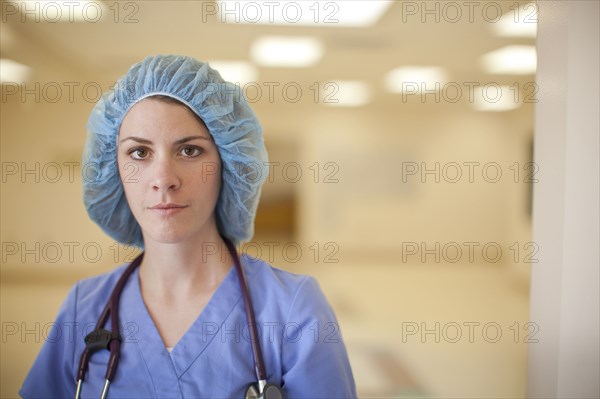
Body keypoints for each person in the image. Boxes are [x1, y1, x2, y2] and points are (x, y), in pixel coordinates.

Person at [19, 55, 356, 398]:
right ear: (113, 167)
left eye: (190, 150)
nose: (163, 179)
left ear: (228, 162)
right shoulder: (83, 308)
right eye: (139, 153)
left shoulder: (292, 311)